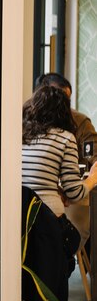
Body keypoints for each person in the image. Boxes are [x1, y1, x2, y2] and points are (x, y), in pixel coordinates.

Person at [21, 85, 97, 301]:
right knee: (56, 282)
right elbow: (75, 193)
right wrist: (92, 178)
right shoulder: (65, 138)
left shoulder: (20, 133)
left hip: (20, 220)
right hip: (46, 225)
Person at [34, 72, 97, 251]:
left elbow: (93, 153)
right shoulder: (26, 126)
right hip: (50, 202)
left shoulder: (79, 122)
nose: (64, 106)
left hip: (62, 198)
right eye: (60, 99)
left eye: (67, 101)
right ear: (42, 96)